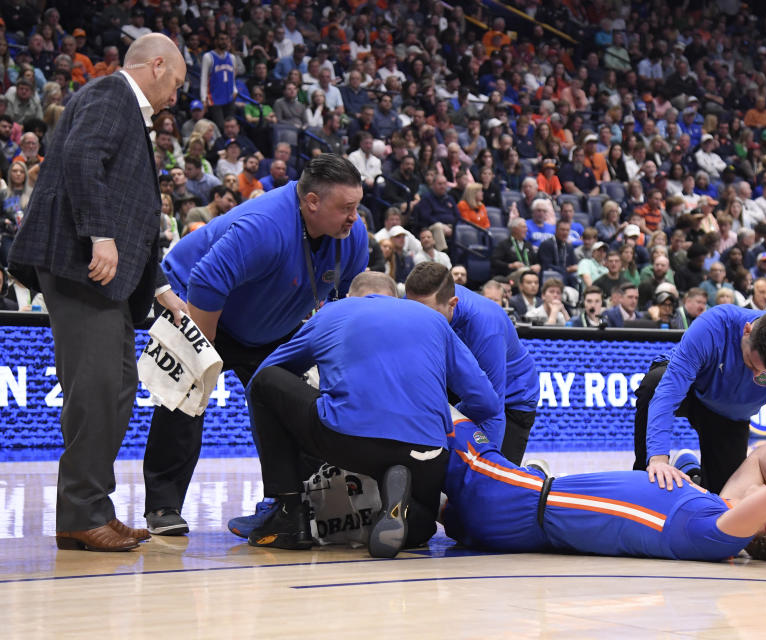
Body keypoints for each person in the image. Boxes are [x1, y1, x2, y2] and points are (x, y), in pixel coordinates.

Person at [6, 34, 188, 552]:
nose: (176, 95)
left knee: (116, 390)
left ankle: (92, 510)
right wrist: (99, 234)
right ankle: (82, 513)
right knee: (96, 390)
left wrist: (157, 286)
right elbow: (83, 159)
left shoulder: (124, 108)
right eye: (175, 82)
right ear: (156, 66)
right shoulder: (113, 95)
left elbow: (134, 212)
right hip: (78, 262)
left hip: (103, 273)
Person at [149, 155, 369, 537]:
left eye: (357, 206)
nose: (354, 217)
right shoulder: (265, 225)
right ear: (312, 202)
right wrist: (204, 350)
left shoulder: (352, 236)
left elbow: (342, 299)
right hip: (195, 302)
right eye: (346, 208)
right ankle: (163, 507)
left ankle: (287, 502)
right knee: (186, 399)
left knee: (294, 407)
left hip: (271, 322)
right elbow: (206, 279)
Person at [245, 272, 500, 555]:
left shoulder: (333, 312)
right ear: (395, 297)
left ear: (350, 296)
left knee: (266, 384)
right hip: (426, 452)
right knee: (419, 531)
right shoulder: (433, 320)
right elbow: (487, 401)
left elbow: (266, 374)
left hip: (350, 441)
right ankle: (409, 517)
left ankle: (288, 513)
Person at [443, 409, 766, 561]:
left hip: (519, 499)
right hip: (521, 513)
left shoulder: (717, 536)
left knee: (435, 407)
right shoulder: (721, 511)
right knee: (431, 501)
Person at [633, 307, 766, 499]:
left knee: (722, 500)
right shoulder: (713, 325)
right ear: (746, 330)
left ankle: (691, 472)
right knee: (653, 385)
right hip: (691, 388)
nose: (755, 376)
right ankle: (643, 480)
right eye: (751, 363)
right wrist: (658, 459)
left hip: (728, 415)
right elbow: (668, 394)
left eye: (765, 373)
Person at [405, 263, 539, 464]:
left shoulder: (486, 327)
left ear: (453, 303)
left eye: (428, 316)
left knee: (495, 481)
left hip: (511, 399)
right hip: (462, 387)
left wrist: (488, 469)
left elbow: (492, 408)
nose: (418, 321)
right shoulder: (423, 300)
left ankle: (532, 473)